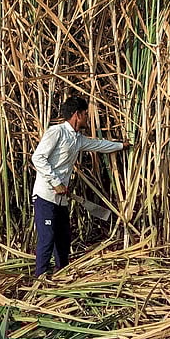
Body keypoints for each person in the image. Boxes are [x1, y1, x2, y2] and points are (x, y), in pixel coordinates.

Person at [31, 96, 130, 277]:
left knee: (63, 238)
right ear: (77, 114)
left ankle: (61, 274)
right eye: (85, 114)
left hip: (61, 199)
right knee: (47, 238)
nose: (87, 118)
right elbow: (38, 158)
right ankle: (40, 279)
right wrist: (56, 182)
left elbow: (98, 145)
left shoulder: (77, 138)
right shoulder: (56, 132)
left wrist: (121, 146)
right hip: (45, 196)